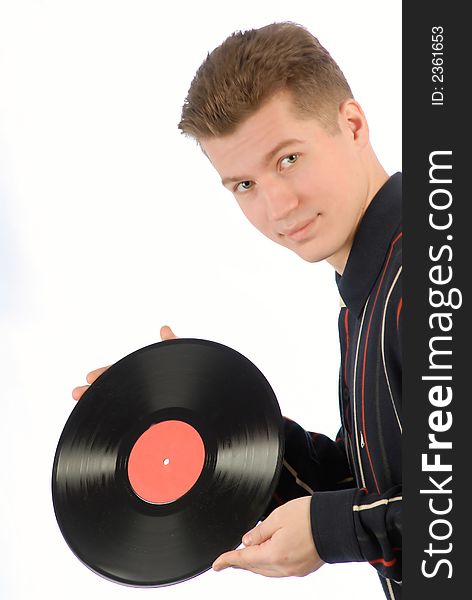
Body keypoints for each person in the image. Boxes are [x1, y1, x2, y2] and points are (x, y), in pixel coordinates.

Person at [72, 22, 402, 599]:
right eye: (244, 184)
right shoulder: (365, 295)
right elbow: (374, 485)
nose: (278, 205)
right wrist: (212, 430)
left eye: (288, 159)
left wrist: (332, 531)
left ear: (352, 125)